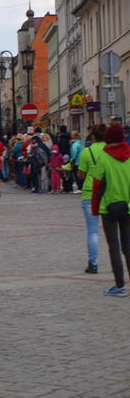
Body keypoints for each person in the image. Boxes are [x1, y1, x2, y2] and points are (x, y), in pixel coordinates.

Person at [91, 124, 130, 296]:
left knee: (114, 248)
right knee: (128, 247)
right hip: (128, 207)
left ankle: (120, 286)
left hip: (109, 208)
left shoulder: (104, 157)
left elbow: (97, 185)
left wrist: (95, 209)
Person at [77, 124, 107, 274]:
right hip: (109, 193)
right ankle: (120, 261)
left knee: (93, 231)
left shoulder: (87, 151)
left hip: (90, 193)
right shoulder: (110, 150)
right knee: (117, 230)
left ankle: (93, 264)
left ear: (93, 136)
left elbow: (81, 174)